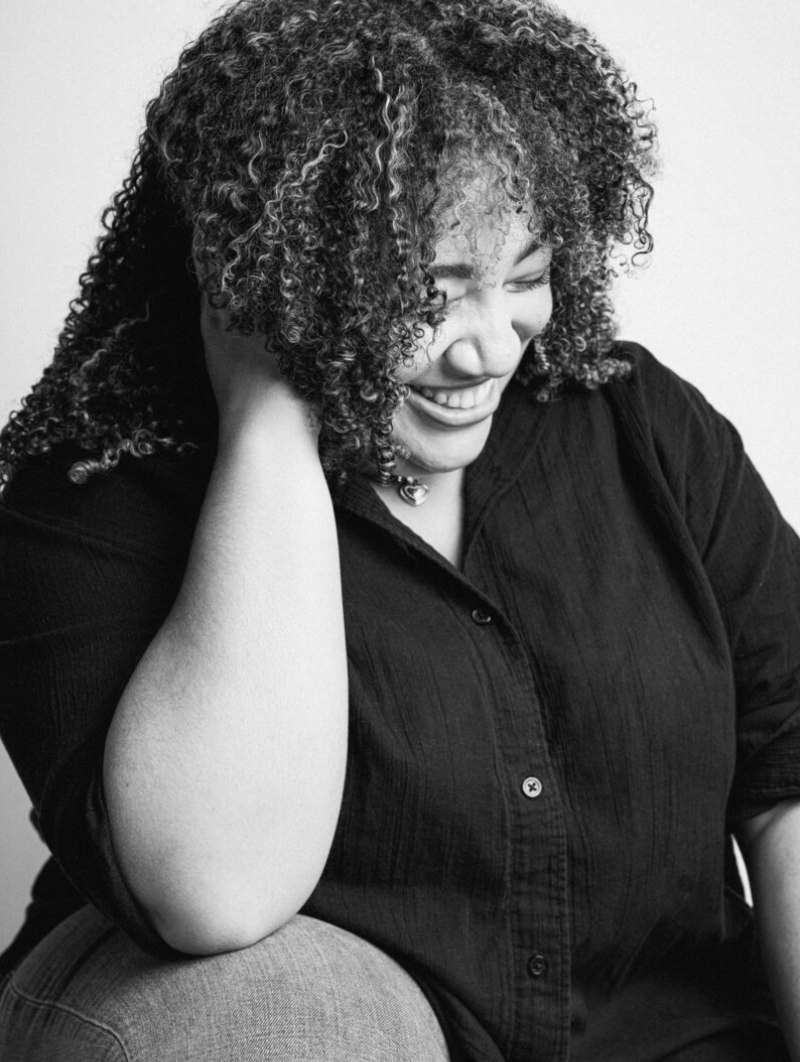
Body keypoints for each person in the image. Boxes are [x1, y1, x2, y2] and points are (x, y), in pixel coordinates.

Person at [0, 0, 798, 1058]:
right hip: (286, 1027)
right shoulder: (97, 491)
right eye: (429, 294)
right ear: (277, 275)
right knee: (270, 1004)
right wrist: (268, 420)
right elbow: (215, 891)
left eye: (525, 277)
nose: (488, 351)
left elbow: (788, 792)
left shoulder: (641, 428)